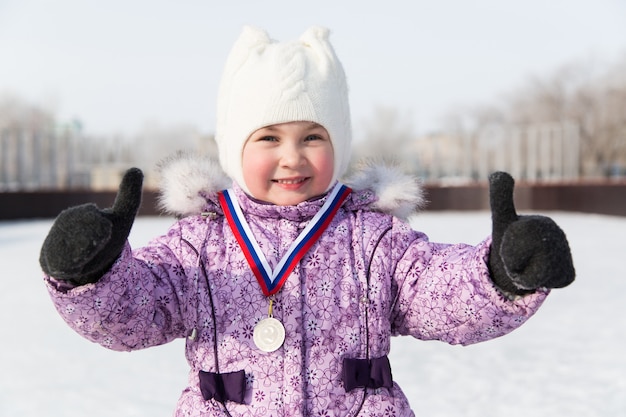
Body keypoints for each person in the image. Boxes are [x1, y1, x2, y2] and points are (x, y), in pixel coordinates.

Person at [39, 26, 575, 417]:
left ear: (337, 146)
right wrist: (92, 276)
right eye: (268, 138)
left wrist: (499, 275)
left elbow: (438, 292)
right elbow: (139, 309)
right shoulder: (202, 241)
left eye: (312, 137)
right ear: (234, 148)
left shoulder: (371, 237)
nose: (292, 157)